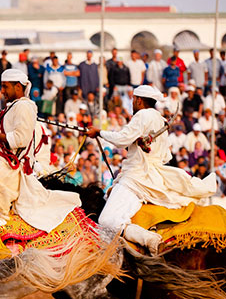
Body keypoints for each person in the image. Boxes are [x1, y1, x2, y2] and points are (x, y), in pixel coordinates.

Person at [86, 85, 217, 254]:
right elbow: (165, 156)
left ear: (139, 100)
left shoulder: (142, 115)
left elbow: (122, 139)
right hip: (151, 177)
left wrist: (99, 133)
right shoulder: (160, 119)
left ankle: (150, 240)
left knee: (106, 221)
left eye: (133, 99)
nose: (132, 102)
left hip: (135, 177)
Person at [0, 69, 80, 259]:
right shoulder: (14, 106)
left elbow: (20, 139)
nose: (2, 91)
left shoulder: (25, 107)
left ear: (18, 87)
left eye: (5, 87)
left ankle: (1, 256)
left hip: (4, 173)